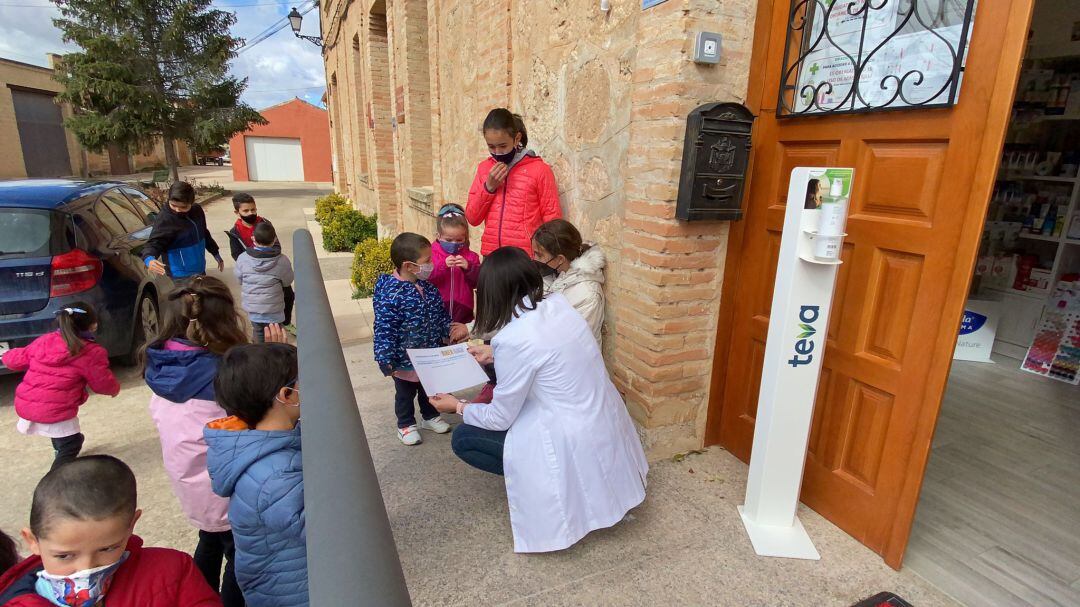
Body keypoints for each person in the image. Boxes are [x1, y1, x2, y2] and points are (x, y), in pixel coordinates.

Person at [429, 247, 648, 553]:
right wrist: (493, 353)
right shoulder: (557, 305)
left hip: (568, 436)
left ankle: (544, 484)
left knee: (464, 438)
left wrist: (457, 406)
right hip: (600, 420)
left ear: (492, 293)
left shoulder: (512, 339)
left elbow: (500, 417)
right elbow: (548, 354)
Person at [143, 277, 264, 607]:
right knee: (240, 556)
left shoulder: (159, 363)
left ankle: (196, 596)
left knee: (210, 539)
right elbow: (264, 418)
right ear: (226, 318)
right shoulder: (225, 373)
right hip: (225, 489)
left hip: (189, 484)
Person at [0, 456, 221, 606]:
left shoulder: (173, 570)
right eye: (64, 556)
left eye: (107, 548)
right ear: (32, 540)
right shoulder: (13, 600)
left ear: (131, 524)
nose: (86, 568)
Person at [205, 344, 305, 607]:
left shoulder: (266, 444)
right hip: (294, 594)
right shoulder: (275, 475)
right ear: (286, 395)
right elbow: (324, 529)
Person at [373, 232, 467, 446]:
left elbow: (440, 315)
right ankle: (405, 425)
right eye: (427, 261)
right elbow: (384, 328)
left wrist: (448, 330)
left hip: (430, 354)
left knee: (429, 389)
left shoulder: (428, 288)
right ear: (409, 266)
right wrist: (385, 358)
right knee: (405, 394)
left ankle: (430, 416)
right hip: (403, 358)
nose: (431, 265)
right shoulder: (391, 294)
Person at [1, 304, 119, 471]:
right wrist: (113, 389)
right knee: (72, 443)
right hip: (56, 409)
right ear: (93, 325)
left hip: (29, 404)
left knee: (60, 434)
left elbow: (16, 360)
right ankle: (55, 477)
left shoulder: (45, 340)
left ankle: (60, 450)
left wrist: (5, 355)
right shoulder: (91, 352)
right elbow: (101, 382)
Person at [466, 108, 562, 256]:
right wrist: (488, 188)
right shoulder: (484, 169)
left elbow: (553, 219)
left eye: (503, 146)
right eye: (491, 146)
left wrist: (546, 256)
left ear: (517, 139)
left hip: (525, 259)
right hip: (492, 257)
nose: (497, 152)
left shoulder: (539, 170)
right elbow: (472, 218)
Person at [532, 219, 606, 345]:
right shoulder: (551, 275)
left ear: (560, 259)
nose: (535, 258)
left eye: (539, 255)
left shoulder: (588, 295)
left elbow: (575, 342)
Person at [143, 181, 224, 278]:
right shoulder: (165, 219)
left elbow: (204, 233)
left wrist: (215, 253)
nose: (177, 210)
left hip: (200, 269)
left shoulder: (197, 211)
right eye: (173, 205)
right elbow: (155, 242)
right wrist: (149, 258)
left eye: (183, 207)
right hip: (179, 274)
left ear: (191, 203)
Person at [235, 223, 294, 344]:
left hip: (253, 309)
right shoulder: (282, 260)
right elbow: (287, 281)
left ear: (253, 238)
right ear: (275, 239)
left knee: (258, 332)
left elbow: (239, 279)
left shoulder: (242, 258)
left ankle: (259, 351)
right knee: (276, 337)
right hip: (274, 310)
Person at [428, 204, 482, 324]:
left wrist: (469, 268)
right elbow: (426, 278)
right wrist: (443, 265)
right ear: (438, 236)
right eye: (448, 240)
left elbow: (478, 282)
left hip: (463, 312)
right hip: (435, 310)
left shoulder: (471, 257)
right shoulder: (430, 254)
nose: (454, 243)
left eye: (459, 240)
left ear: (465, 237)